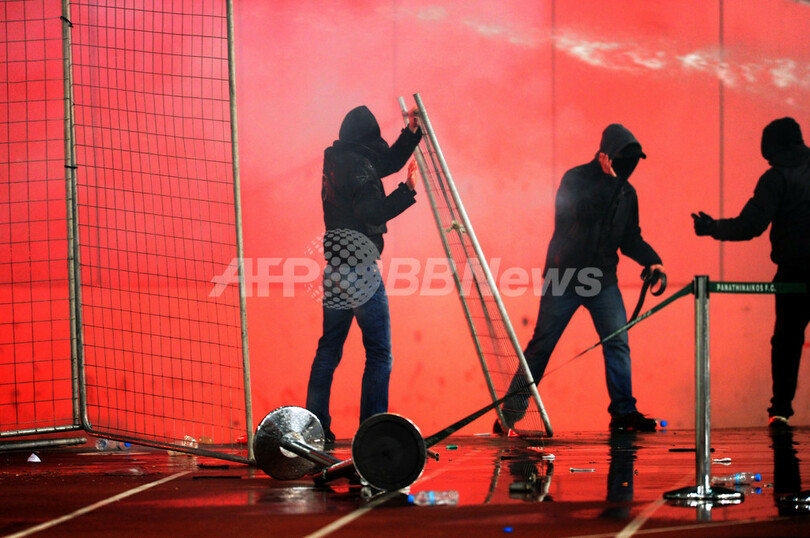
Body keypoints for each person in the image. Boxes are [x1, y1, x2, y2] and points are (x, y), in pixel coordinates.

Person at [500, 123, 664, 432]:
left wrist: (653, 261)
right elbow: (582, 214)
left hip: (602, 281)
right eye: (622, 159)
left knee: (617, 342)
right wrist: (609, 184)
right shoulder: (575, 179)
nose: (627, 168)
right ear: (605, 155)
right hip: (564, 277)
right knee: (542, 345)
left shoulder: (627, 193)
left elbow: (630, 238)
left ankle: (624, 412)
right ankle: (509, 414)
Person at [306, 105, 421, 445]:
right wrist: (407, 190)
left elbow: (383, 164)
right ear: (368, 138)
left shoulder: (339, 159)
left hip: (336, 269)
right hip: (360, 270)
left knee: (328, 350)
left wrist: (411, 133)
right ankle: (372, 435)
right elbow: (371, 210)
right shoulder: (359, 167)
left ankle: (314, 429)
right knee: (379, 354)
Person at [692, 117, 810, 430]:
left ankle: (780, 411)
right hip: (793, 272)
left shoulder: (775, 177)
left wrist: (712, 228)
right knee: (786, 341)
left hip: (794, 274)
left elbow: (750, 226)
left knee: (787, 342)